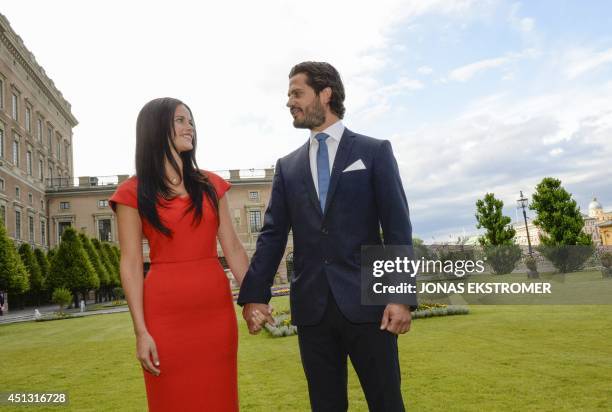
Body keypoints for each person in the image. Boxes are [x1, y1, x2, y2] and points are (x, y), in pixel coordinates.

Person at [238, 62, 417, 412]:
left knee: (387, 403)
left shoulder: (374, 151)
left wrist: (400, 296)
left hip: (371, 306)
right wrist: (255, 297)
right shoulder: (287, 167)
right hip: (312, 310)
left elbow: (397, 227)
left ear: (325, 93)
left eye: (296, 93)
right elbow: (273, 235)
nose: (289, 101)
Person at [110, 98, 250, 411]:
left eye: (191, 121)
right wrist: (141, 331)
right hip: (164, 317)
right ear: (156, 129)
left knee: (220, 399)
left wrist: (254, 297)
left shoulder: (212, 185)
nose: (190, 127)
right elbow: (131, 263)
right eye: (180, 120)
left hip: (216, 313)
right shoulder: (132, 192)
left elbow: (234, 247)